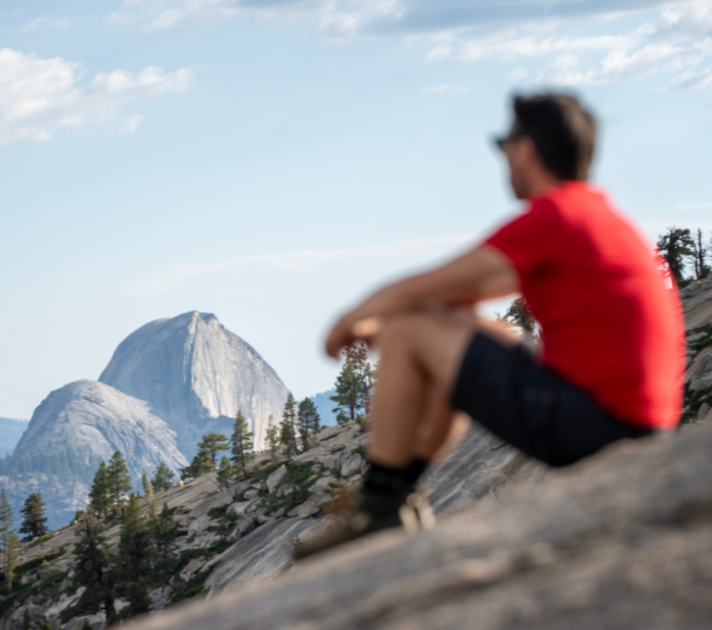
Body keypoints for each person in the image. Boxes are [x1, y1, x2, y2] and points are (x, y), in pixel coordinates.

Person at [293, 92, 684, 560]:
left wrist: (346, 322)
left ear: (526, 150)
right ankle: (403, 489)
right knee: (462, 325)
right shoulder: (599, 219)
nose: (503, 159)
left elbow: (423, 287)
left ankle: (378, 503)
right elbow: (458, 297)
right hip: (636, 425)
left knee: (408, 329)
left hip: (596, 429)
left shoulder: (553, 218)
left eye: (502, 144)